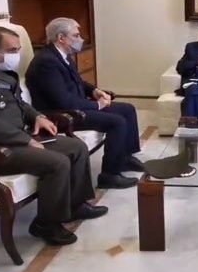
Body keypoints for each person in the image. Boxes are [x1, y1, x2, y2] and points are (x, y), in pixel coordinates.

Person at [0, 26, 107, 246]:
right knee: (57, 162)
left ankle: (75, 206)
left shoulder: (2, 73)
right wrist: (26, 140)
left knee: (75, 147)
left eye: (18, 49)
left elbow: (19, 104)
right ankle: (46, 224)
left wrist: (37, 117)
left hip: (14, 140)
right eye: (12, 50)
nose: (17, 55)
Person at [25, 17, 141, 189]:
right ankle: (109, 175)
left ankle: (124, 158)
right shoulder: (46, 62)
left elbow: (77, 82)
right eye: (76, 35)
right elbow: (63, 100)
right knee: (117, 122)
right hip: (61, 114)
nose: (81, 39)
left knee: (127, 109)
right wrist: (97, 105)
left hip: (74, 106)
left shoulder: (62, 55)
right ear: (61, 38)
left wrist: (94, 91)